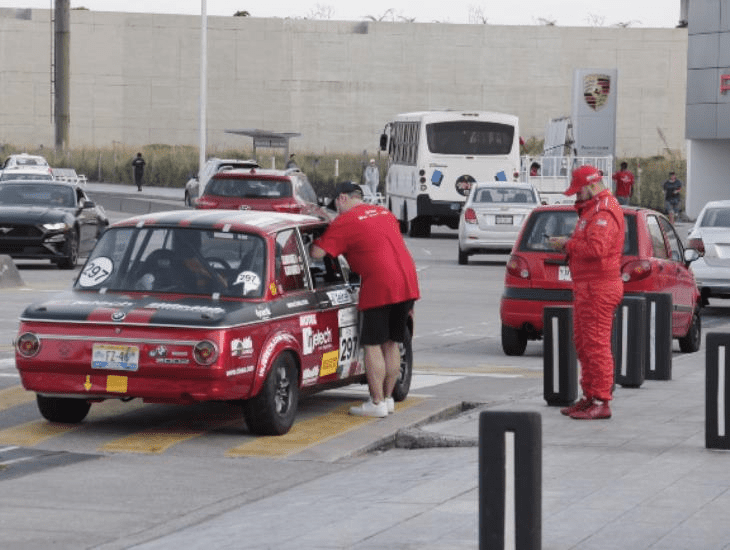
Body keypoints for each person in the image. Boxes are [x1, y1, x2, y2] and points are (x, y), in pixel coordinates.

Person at [309, 181, 420, 418]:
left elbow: (317, 254)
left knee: (372, 345)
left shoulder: (345, 220)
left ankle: (376, 402)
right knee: (391, 343)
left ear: (342, 198)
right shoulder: (384, 213)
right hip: (407, 281)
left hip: (380, 285)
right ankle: (388, 399)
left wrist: (318, 241)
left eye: (335, 205)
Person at [548, 165, 624, 420]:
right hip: (588, 286)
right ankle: (590, 395)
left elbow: (596, 249)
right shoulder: (593, 210)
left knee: (596, 344)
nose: (576, 197)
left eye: (578, 192)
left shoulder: (604, 212)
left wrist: (567, 245)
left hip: (599, 286)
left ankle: (601, 400)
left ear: (590, 187)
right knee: (583, 343)